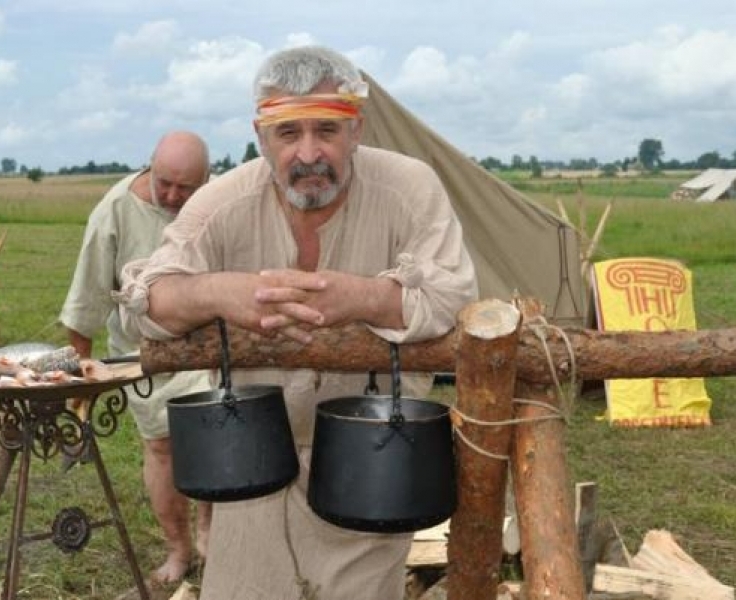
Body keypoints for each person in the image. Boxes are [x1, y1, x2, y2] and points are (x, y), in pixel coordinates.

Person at [115, 47, 478, 600]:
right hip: (247, 466)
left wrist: (365, 298)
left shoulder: (409, 189)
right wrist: (220, 292)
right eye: (288, 134)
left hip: (374, 463)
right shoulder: (223, 203)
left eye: (326, 130)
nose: (309, 154)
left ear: (356, 129)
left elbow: (455, 295)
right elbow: (145, 301)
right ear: (261, 137)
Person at [59, 130, 214, 585]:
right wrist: (78, 390)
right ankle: (178, 550)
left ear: (205, 180)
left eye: (186, 188)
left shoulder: (220, 202)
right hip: (142, 355)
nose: (172, 196)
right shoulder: (113, 211)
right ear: (149, 166)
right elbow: (85, 299)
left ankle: (211, 534)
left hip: (209, 350)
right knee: (161, 447)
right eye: (165, 182)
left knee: (215, 437)